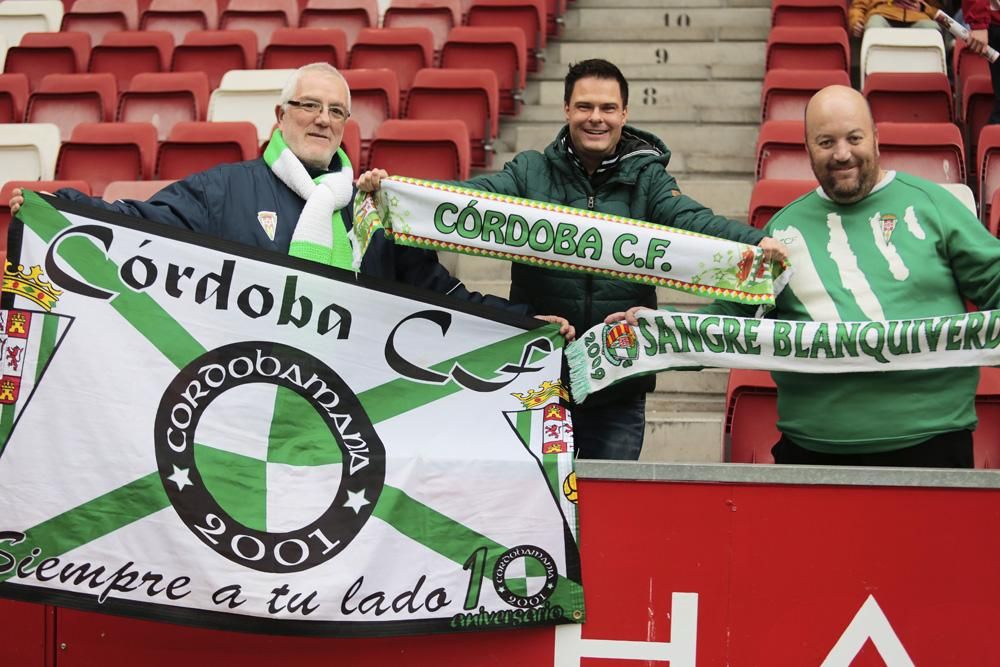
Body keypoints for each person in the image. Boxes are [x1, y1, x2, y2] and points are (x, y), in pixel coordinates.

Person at [357, 59, 787, 460]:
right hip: (538, 374)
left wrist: (758, 242)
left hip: (618, 377)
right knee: (537, 508)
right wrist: (400, 195)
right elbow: (472, 202)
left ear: (624, 113)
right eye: (584, 106)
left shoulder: (649, 181)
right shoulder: (529, 172)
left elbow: (693, 221)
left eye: (607, 107)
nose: (595, 117)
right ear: (566, 109)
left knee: (607, 509)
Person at [8, 63, 573, 339]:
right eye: (309, 105)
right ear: (280, 116)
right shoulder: (225, 188)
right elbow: (141, 228)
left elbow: (442, 296)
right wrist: (57, 211)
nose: (322, 120)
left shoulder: (369, 209)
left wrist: (521, 322)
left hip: (345, 401)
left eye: (336, 112)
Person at [609, 85, 1000, 468]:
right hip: (812, 452)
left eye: (854, 138)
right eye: (826, 142)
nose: (842, 154)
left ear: (877, 139)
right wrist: (654, 328)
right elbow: (731, 317)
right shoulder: (781, 231)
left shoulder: (932, 206)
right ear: (808, 148)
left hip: (933, 444)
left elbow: (993, 280)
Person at [849, 0, 944, 38]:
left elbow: (938, 11)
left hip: (917, 16)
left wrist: (923, 7)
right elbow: (858, 5)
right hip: (883, 14)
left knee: (932, 29)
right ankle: (877, 75)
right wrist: (856, 21)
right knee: (874, 27)